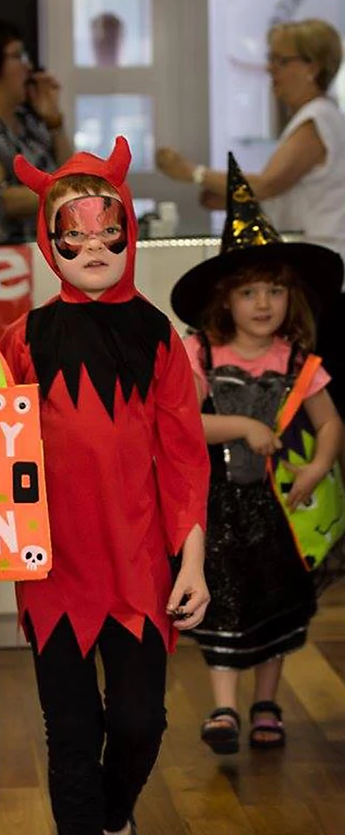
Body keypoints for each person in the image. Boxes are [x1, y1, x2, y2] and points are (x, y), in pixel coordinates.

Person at [0, 136, 210, 835]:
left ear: (129, 230)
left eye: (107, 228)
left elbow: (184, 459)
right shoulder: (21, 339)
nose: (92, 245)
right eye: (72, 233)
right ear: (47, 240)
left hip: (138, 566)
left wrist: (194, 563)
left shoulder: (159, 339)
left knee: (140, 721)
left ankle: (114, 818)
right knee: (70, 732)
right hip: (54, 567)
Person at [170, 156, 344, 755]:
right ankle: (223, 708)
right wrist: (243, 423)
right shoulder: (201, 356)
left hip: (279, 508)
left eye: (275, 290)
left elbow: (330, 425)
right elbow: (185, 423)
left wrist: (319, 467)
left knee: (275, 605)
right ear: (226, 299)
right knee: (224, 602)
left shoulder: (298, 362)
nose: (264, 303)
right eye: (249, 291)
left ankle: (266, 702)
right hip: (219, 509)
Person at [155, 18, 345, 420]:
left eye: (280, 60)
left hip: (329, 280)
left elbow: (270, 183)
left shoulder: (317, 120)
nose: (270, 70)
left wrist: (190, 171)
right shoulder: (313, 118)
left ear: (311, 66)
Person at [0, 18, 73, 243]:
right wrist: (69, 194)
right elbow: (2, 200)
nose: (27, 67)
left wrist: (55, 123)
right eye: (17, 56)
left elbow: (71, 171)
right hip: (10, 258)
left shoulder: (30, 122)